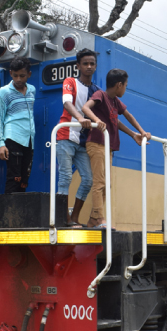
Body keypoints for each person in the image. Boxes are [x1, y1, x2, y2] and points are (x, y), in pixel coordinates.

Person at [81, 68, 151, 228]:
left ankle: (93, 218)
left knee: (107, 184)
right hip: (97, 143)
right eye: (126, 85)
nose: (125, 88)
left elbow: (124, 118)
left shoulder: (115, 102)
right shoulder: (101, 95)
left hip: (108, 147)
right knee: (99, 182)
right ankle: (99, 218)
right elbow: (85, 108)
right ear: (119, 85)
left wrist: (138, 133)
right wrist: (96, 120)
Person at [55, 49, 98, 227]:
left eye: (92, 63)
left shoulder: (96, 90)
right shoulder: (70, 81)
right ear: (78, 65)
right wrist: (80, 118)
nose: (89, 66)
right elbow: (66, 102)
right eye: (85, 63)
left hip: (83, 141)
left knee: (88, 179)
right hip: (65, 136)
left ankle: (74, 217)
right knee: (65, 177)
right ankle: (63, 218)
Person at [0, 57, 35, 194]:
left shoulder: (32, 90)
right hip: (12, 137)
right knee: (14, 178)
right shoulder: (4, 92)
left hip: (29, 139)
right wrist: (1, 143)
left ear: (29, 74)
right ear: (10, 73)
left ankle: (19, 213)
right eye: (15, 75)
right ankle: (9, 214)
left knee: (24, 181)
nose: (18, 79)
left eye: (22, 76)